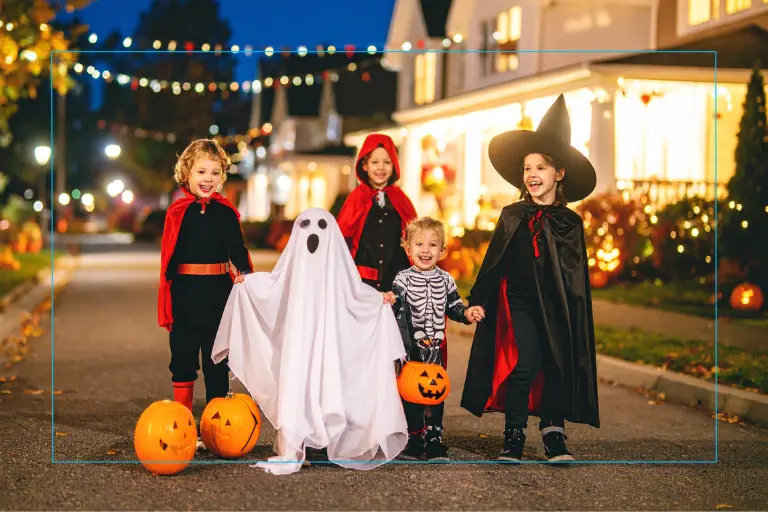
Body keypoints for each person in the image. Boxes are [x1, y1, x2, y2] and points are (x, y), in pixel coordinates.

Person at [212, 208, 408, 475]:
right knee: (299, 381)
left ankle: (329, 439)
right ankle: (302, 437)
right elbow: (274, 285)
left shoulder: (339, 274)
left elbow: (355, 292)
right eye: (306, 225)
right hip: (298, 344)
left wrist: (377, 300)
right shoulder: (292, 270)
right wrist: (248, 285)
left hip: (331, 346)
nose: (314, 233)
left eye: (322, 227)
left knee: (330, 381)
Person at [460, 94, 600, 463]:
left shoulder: (570, 222)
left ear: (560, 173)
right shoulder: (512, 215)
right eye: (526, 168)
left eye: (540, 167)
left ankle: (554, 435)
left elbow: (574, 278)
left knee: (555, 363)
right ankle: (514, 434)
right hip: (518, 300)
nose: (532, 175)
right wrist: (476, 299)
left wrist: (573, 314)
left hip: (556, 304)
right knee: (525, 362)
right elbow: (493, 261)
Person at [158, 139, 254, 418]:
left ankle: (216, 422)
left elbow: (239, 252)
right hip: (185, 295)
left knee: (216, 359)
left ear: (222, 176)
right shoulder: (177, 212)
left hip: (218, 296)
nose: (208, 179)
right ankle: (183, 419)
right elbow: (169, 260)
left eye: (214, 172)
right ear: (186, 173)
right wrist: (168, 295)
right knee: (183, 357)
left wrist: (245, 275)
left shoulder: (226, 213)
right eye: (201, 172)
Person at [387, 217, 484, 462]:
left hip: (436, 347)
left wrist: (467, 313)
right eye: (419, 244)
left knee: (435, 390)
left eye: (432, 245)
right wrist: (390, 299)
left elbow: (454, 307)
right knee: (411, 392)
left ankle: (434, 439)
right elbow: (396, 302)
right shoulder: (403, 278)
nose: (425, 250)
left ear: (442, 250)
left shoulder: (446, 279)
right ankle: (414, 437)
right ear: (408, 248)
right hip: (412, 348)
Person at [336, 133, 417, 293]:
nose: (381, 167)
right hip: (363, 280)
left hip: (396, 279)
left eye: (387, 162)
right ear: (364, 165)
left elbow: (415, 235)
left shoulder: (400, 199)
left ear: (394, 165)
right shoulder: (355, 198)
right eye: (375, 162)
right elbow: (342, 237)